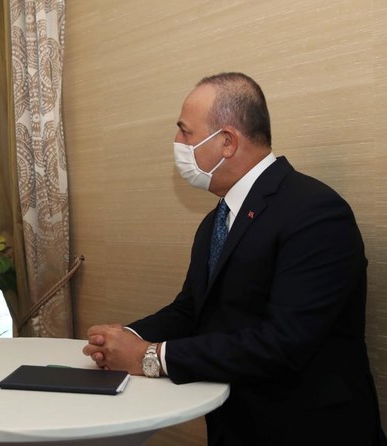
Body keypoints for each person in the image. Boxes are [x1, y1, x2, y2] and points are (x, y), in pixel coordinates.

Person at [83, 72, 386, 445]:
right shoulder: (217, 219)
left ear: (226, 141)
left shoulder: (315, 211)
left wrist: (152, 356)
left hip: (308, 431)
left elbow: (284, 343)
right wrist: (124, 337)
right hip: (236, 425)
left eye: (185, 132)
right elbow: (191, 310)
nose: (177, 143)